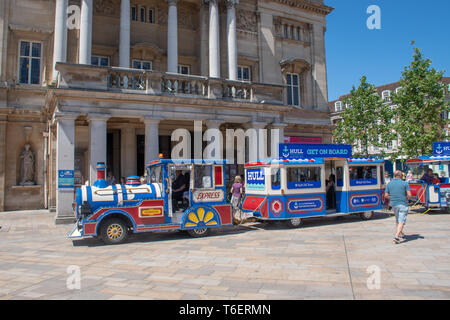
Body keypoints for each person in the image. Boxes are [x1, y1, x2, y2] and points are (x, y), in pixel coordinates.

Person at [384, 170, 412, 244]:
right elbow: (409, 195)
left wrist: (392, 198)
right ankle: (396, 236)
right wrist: (407, 199)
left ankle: (401, 233)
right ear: (400, 175)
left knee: (397, 220)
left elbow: (386, 195)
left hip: (394, 204)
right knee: (401, 220)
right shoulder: (405, 183)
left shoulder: (389, 184)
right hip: (403, 203)